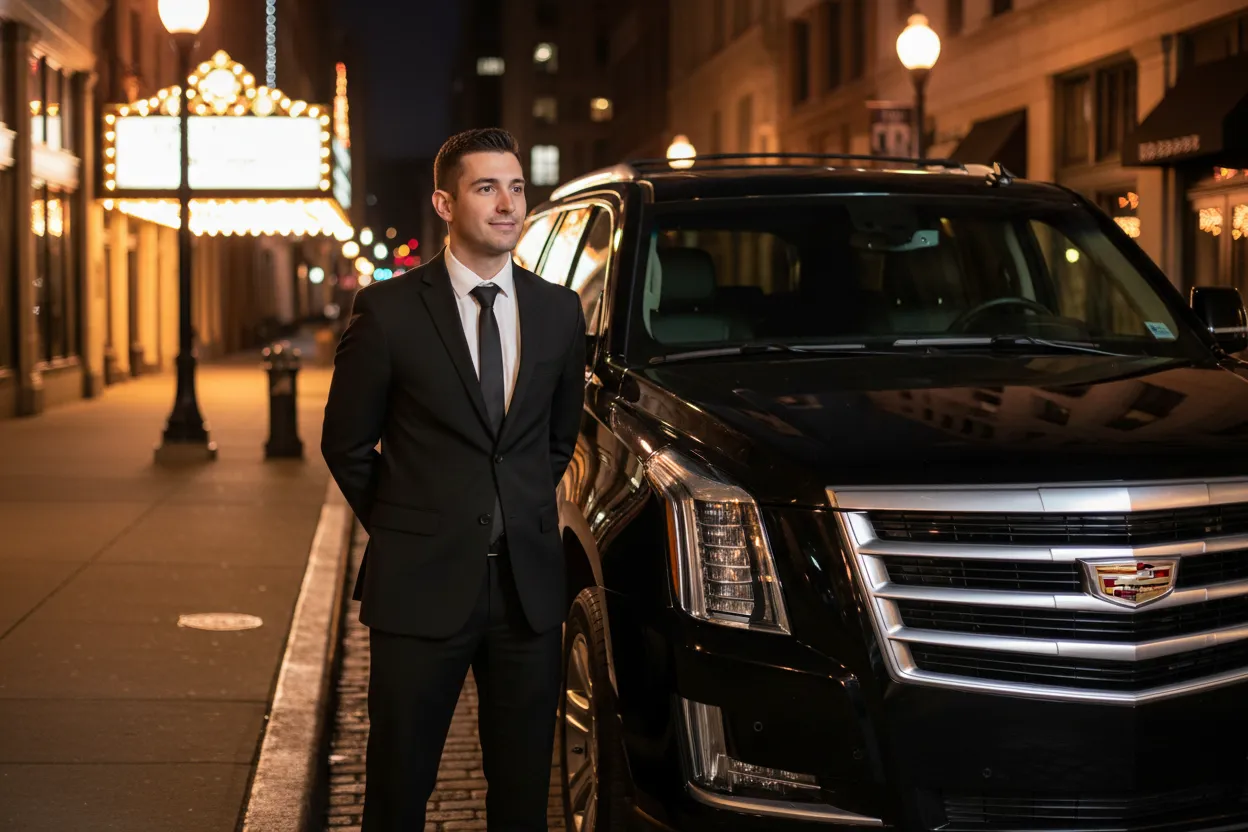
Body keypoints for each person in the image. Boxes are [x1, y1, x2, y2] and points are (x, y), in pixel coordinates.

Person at [321, 127, 587, 830]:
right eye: (485, 187)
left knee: (525, 798)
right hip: (419, 591)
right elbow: (346, 444)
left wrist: (517, 509)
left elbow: (556, 439)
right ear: (444, 202)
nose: (508, 203)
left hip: (527, 596)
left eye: (516, 186)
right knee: (399, 792)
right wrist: (412, 525)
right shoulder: (388, 312)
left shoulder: (560, 312)